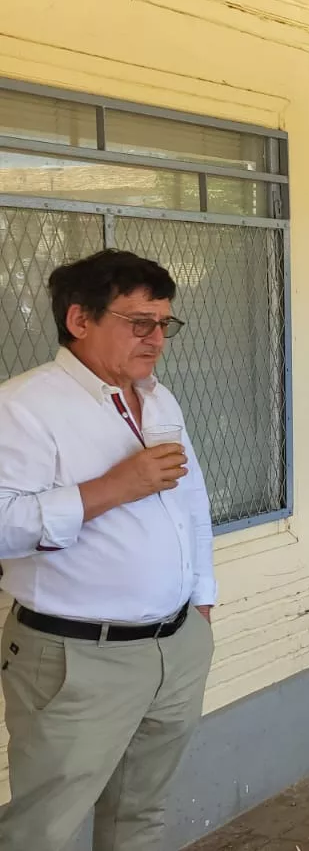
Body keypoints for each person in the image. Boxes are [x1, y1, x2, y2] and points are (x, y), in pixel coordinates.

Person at [0, 249, 215, 851]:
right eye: (138, 322)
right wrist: (114, 488)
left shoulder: (159, 398)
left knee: (140, 818)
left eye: (164, 323)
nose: (156, 339)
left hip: (174, 645)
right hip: (76, 658)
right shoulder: (21, 407)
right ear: (80, 320)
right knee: (43, 828)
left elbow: (191, 503)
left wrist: (201, 598)